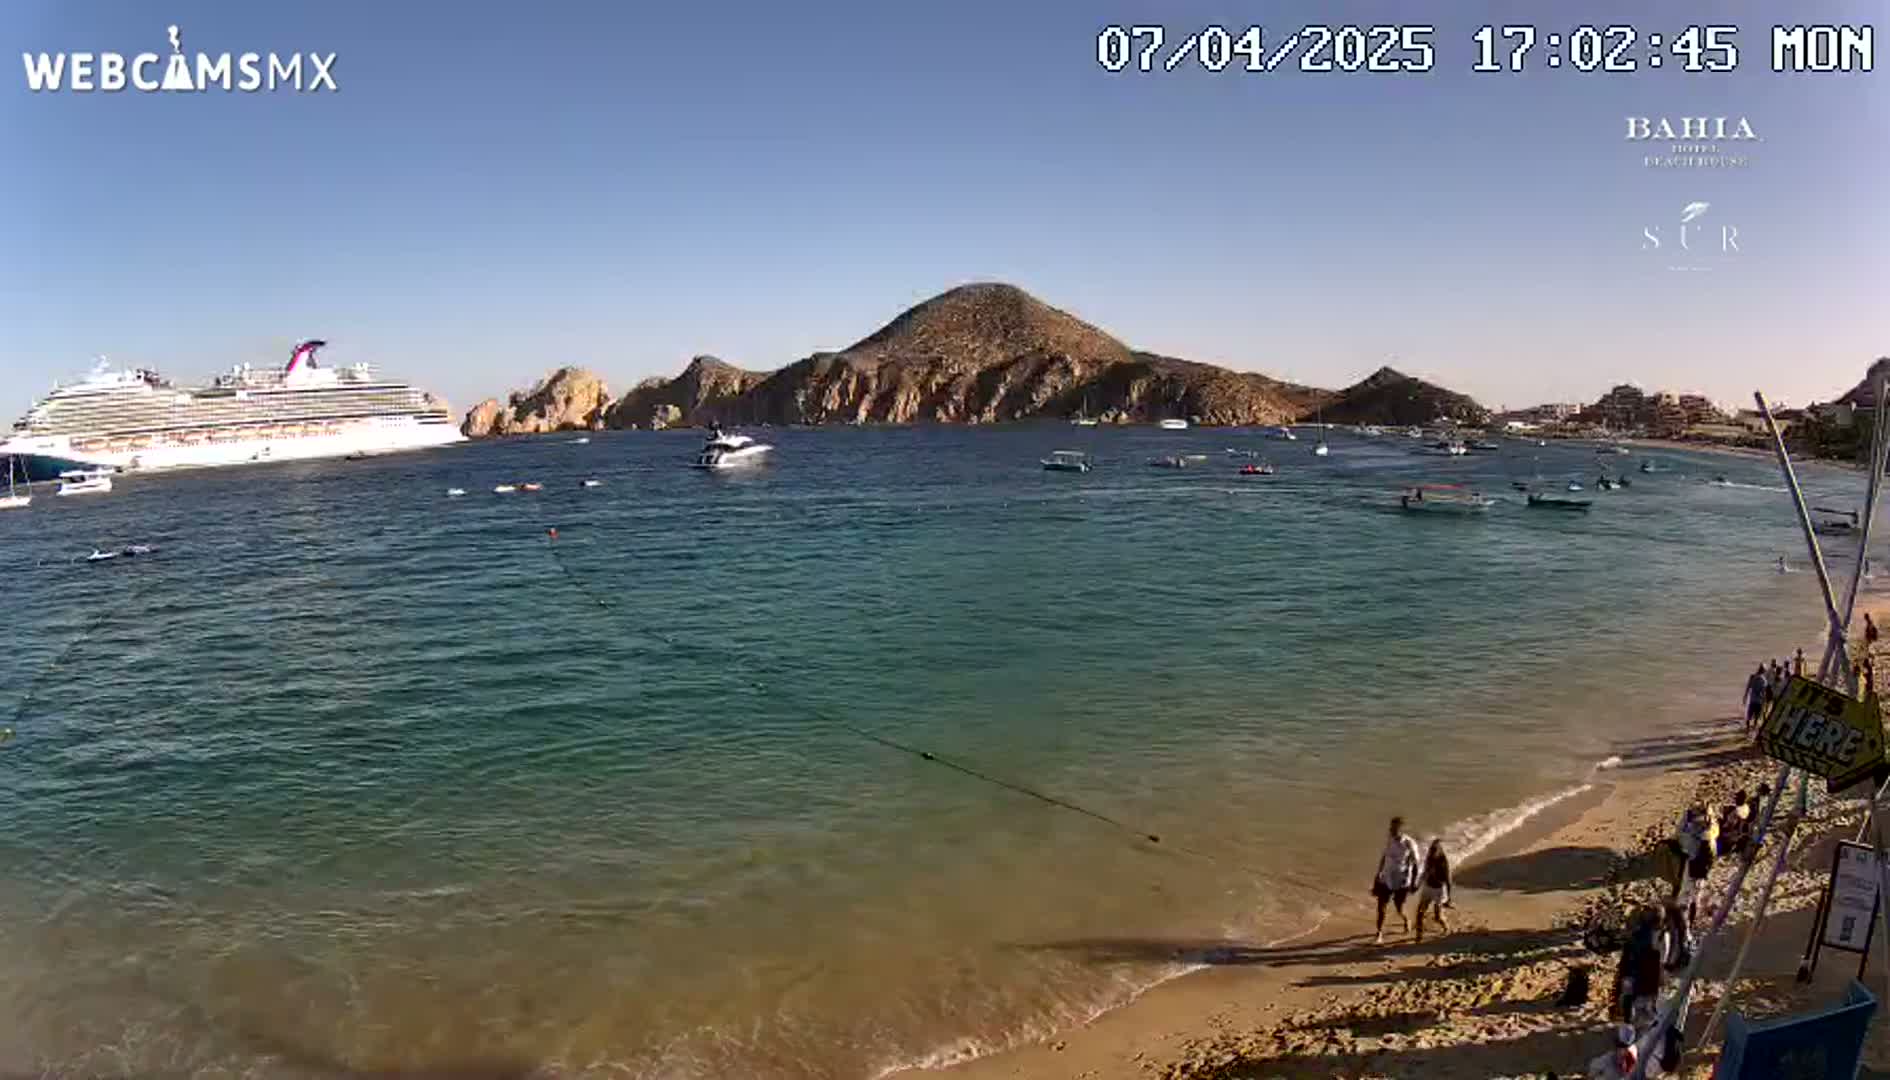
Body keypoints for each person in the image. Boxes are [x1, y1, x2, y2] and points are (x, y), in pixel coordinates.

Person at [1371, 816, 1422, 945]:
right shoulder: (1390, 839)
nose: (1391, 830)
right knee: (1381, 907)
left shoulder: (1409, 843)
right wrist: (1378, 875)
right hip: (1386, 878)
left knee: (1399, 907)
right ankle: (1379, 933)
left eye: (1395, 828)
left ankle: (1406, 919)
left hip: (1402, 881)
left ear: (1402, 829)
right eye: (1391, 827)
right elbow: (1384, 857)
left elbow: (1416, 864)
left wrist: (1415, 882)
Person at [1414, 838, 1452, 943]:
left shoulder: (1443, 862)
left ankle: (1446, 927)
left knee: (1437, 916)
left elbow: (1448, 881)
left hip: (1438, 891)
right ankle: (1419, 935)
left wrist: (1448, 898)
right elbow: (1424, 872)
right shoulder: (1429, 858)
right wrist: (1417, 885)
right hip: (1427, 888)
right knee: (1420, 913)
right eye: (1431, 849)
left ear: (1439, 850)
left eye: (1434, 850)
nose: (1432, 852)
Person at [1743, 665, 1768, 732]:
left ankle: (1747, 729)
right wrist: (1764, 702)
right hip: (1759, 701)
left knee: (1749, 716)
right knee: (1757, 716)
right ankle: (1753, 729)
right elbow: (1764, 693)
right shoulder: (1764, 680)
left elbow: (1748, 687)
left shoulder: (1752, 677)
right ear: (1764, 671)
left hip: (1752, 700)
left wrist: (1745, 697)